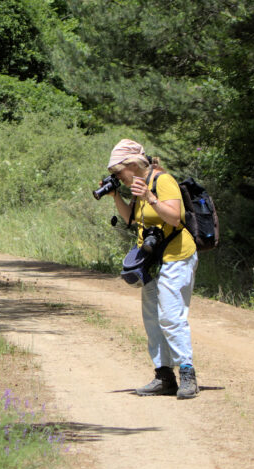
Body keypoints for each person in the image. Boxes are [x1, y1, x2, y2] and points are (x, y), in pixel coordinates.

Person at [104, 139, 200, 399]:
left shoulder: (162, 181)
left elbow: (175, 217)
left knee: (170, 316)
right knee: (152, 319)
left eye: (117, 172)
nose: (116, 176)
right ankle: (164, 376)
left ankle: (188, 375)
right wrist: (116, 196)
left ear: (132, 165)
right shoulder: (137, 185)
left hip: (177, 256)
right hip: (152, 261)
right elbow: (130, 219)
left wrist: (150, 197)